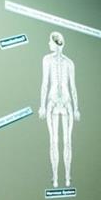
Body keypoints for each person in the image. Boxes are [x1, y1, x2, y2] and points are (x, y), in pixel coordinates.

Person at [39, 31, 80, 188]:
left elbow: (73, 87)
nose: (49, 44)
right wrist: (42, 106)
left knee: (67, 141)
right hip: (52, 102)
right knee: (54, 140)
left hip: (67, 103)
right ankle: (55, 177)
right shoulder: (46, 60)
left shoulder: (69, 63)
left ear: (56, 44)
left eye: (50, 41)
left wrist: (76, 108)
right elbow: (45, 83)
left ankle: (68, 177)